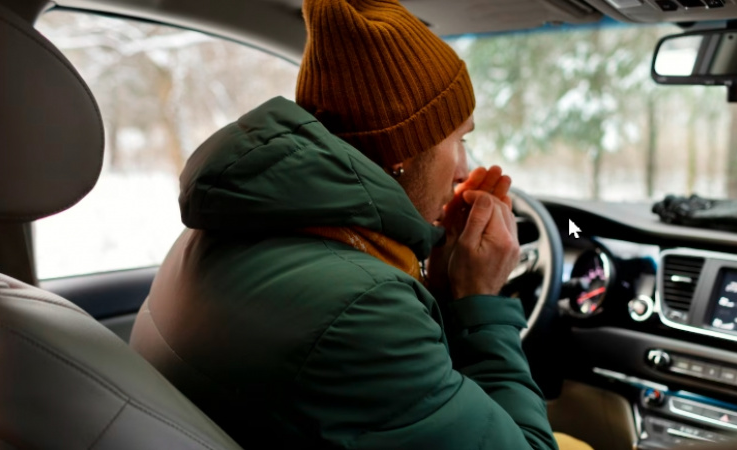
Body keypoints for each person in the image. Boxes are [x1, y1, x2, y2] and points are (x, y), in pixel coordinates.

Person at [131, 0, 586, 448]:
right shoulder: (361, 311)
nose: (466, 170)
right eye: (459, 139)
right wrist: (480, 302)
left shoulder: (217, 229)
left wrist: (440, 287)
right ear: (404, 152)